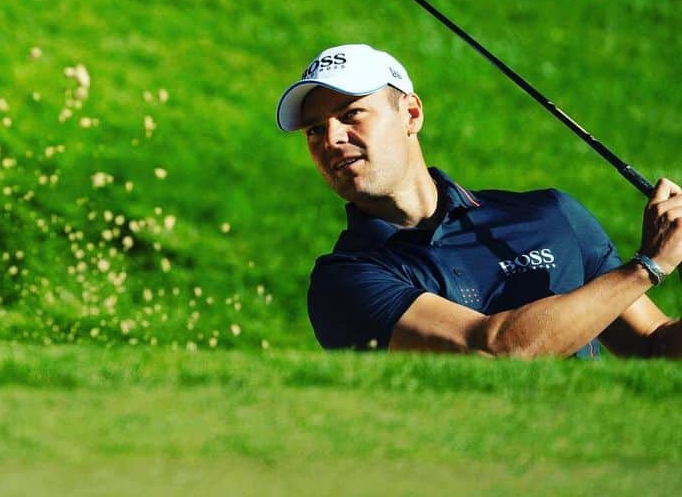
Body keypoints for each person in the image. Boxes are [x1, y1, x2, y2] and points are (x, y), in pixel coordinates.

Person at [276, 43, 682, 358]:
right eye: (314, 130)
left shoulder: (551, 215)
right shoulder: (344, 281)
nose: (330, 139)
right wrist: (648, 267)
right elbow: (493, 351)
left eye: (351, 114)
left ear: (411, 114)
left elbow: (654, 344)